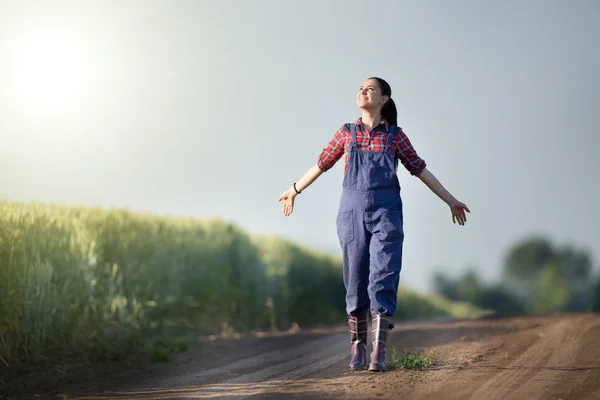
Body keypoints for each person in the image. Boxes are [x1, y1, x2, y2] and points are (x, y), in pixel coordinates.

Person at [277, 77, 470, 372]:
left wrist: (451, 200)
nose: (362, 91)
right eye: (360, 88)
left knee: (383, 277)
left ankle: (379, 349)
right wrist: (294, 189)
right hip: (351, 212)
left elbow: (420, 170)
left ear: (384, 99)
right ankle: (358, 346)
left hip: (386, 212)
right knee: (354, 280)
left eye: (370, 89)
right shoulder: (346, 133)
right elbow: (321, 164)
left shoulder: (395, 136)